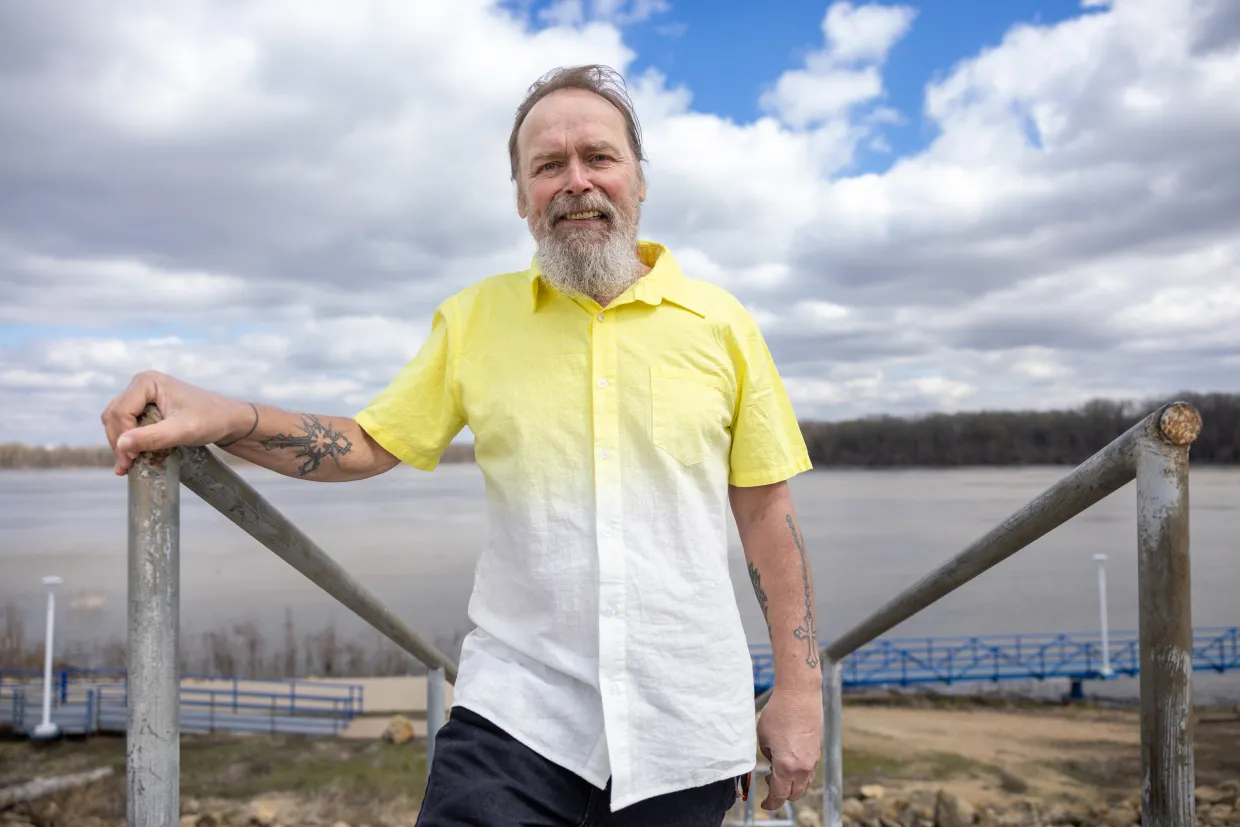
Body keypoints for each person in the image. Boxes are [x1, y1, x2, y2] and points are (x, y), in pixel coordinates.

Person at [102, 64, 823, 827]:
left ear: (640, 180)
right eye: (547, 166)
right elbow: (366, 443)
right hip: (515, 717)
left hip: (684, 727)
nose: (576, 181)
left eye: (598, 158)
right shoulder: (475, 319)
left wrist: (801, 692)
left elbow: (766, 512)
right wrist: (223, 415)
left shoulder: (723, 325)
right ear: (521, 197)